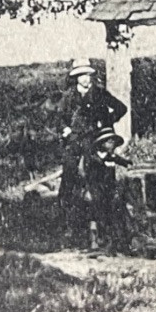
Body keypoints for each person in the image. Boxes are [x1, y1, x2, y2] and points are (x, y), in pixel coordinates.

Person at [55, 58, 127, 243]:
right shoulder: (69, 96)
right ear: (76, 77)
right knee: (69, 173)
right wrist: (66, 130)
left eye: (88, 74)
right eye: (81, 75)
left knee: (103, 180)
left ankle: (106, 226)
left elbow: (121, 108)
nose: (86, 79)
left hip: (96, 140)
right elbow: (59, 118)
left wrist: (108, 121)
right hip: (76, 140)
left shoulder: (100, 93)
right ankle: (67, 225)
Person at [77, 125, 133, 253]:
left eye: (113, 141)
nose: (111, 144)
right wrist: (87, 190)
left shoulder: (111, 157)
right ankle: (93, 241)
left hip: (109, 190)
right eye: (108, 141)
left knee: (110, 213)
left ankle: (111, 241)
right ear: (101, 143)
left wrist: (129, 163)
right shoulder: (92, 158)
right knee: (94, 215)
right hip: (95, 189)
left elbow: (125, 162)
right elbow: (84, 174)